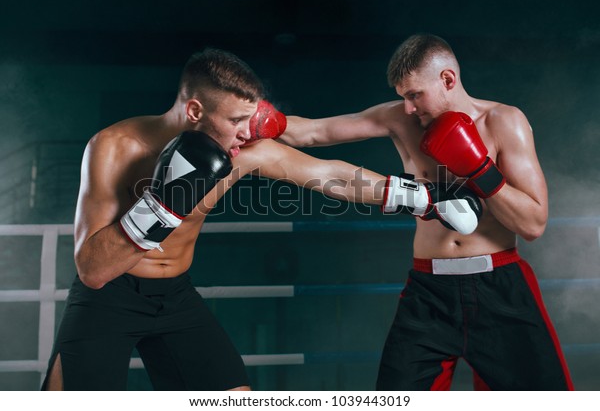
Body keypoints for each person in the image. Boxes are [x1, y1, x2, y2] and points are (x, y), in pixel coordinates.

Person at [42, 47, 482, 391]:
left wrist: (425, 199)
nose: (246, 133)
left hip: (174, 296)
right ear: (195, 112)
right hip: (108, 300)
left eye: (249, 119)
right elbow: (93, 270)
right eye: (235, 120)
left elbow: (330, 176)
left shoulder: (241, 150)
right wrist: (161, 207)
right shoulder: (114, 146)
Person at [279, 33, 573, 390]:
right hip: (429, 290)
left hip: (499, 285)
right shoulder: (400, 120)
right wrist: (262, 120)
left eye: (415, 94)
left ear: (447, 79)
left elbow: (533, 224)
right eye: (403, 96)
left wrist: (480, 170)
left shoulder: (503, 121)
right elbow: (312, 132)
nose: (408, 107)